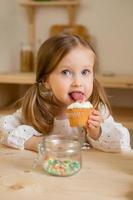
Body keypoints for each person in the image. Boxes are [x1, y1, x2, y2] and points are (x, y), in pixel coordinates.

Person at [0, 33, 131, 152]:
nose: (77, 82)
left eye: (85, 72)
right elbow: (4, 128)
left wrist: (97, 132)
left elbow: (122, 143)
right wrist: (33, 142)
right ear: (46, 80)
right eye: (66, 72)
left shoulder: (98, 111)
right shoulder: (36, 110)